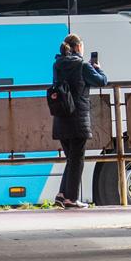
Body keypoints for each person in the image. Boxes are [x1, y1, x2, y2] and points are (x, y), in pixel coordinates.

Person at [51, 34, 108, 207]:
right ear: (77, 47)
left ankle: (62, 194)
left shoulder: (57, 64)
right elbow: (102, 81)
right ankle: (72, 198)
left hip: (61, 117)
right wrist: (98, 68)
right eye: (82, 46)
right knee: (77, 160)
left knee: (71, 159)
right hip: (78, 119)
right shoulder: (82, 65)